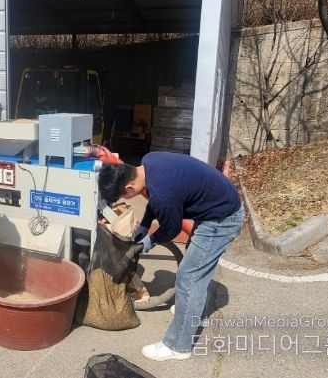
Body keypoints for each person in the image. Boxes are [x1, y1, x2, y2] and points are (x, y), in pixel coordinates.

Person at [97, 151, 243, 361]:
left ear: (129, 188)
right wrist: (145, 225)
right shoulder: (149, 161)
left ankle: (178, 346)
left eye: (124, 196)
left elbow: (171, 228)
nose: (127, 198)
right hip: (217, 206)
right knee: (196, 267)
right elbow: (154, 200)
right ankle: (192, 312)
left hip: (221, 220)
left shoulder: (163, 194)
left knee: (189, 277)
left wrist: (150, 240)